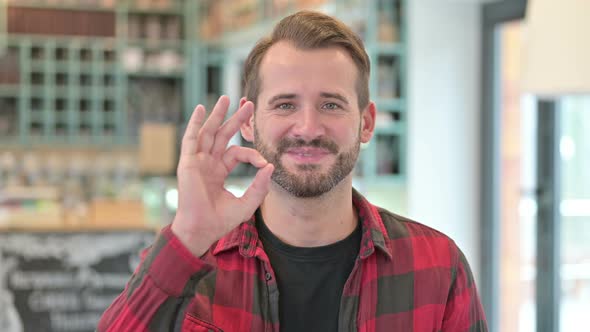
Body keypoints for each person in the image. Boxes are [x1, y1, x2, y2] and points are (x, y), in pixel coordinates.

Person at [97, 10, 487, 332]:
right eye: (285, 105)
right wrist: (187, 235)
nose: (307, 128)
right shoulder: (191, 261)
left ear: (367, 123)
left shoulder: (437, 266)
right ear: (248, 123)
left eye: (331, 105)